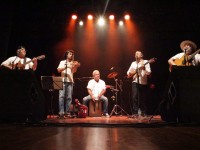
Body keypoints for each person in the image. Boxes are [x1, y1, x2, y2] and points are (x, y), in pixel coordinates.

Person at [127, 51, 151, 116]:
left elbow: (149, 72)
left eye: (138, 53)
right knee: (134, 97)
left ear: (141, 55)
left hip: (143, 82)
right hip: (135, 81)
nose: (136, 54)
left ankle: (143, 111)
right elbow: (128, 72)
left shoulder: (146, 62)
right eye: (135, 53)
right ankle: (135, 112)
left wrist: (144, 68)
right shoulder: (133, 63)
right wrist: (130, 73)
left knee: (143, 98)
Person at [57, 49, 80, 118]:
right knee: (61, 96)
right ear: (67, 55)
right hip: (63, 80)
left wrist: (75, 66)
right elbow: (58, 70)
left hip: (70, 81)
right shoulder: (62, 62)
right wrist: (67, 66)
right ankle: (61, 112)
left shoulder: (73, 62)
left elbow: (74, 71)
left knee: (69, 97)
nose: (71, 55)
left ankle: (67, 112)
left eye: (72, 54)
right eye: (70, 54)